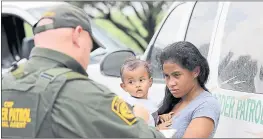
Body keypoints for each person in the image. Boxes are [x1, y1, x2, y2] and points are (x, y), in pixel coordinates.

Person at [1, 4, 165, 138]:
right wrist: (140, 119)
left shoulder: (5, 83)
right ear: (78, 35)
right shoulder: (84, 93)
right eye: (91, 45)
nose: (89, 52)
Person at [156, 41, 221, 138]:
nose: (170, 83)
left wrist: (155, 133)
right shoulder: (172, 100)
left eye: (176, 75)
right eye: (167, 76)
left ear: (196, 71)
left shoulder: (206, 105)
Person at [119, 57, 157, 126]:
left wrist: (160, 118)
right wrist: (159, 128)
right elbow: (139, 130)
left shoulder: (152, 102)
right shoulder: (129, 106)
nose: (137, 85)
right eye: (131, 82)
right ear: (124, 87)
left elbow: (151, 119)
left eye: (141, 80)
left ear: (150, 82)